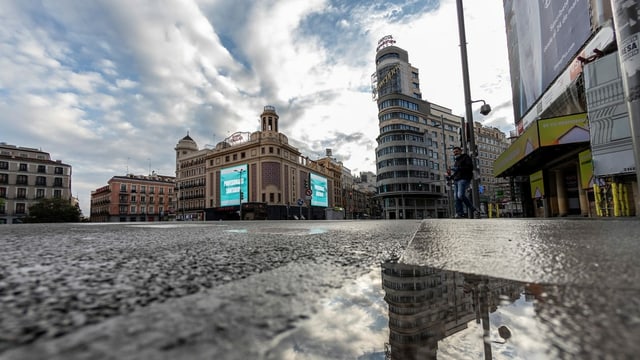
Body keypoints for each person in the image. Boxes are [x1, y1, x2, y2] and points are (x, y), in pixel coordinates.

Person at [449, 146, 480, 218]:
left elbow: (469, 168)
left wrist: (458, 168)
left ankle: (474, 210)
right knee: (456, 198)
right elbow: (457, 172)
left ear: (460, 151)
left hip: (464, 178)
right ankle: (460, 213)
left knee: (460, 195)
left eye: (456, 151)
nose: (455, 153)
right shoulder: (456, 161)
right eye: (454, 152)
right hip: (456, 180)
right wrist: (451, 177)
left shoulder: (466, 157)